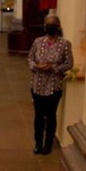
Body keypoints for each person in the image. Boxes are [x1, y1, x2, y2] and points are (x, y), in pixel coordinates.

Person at [28, 15, 73, 155]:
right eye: (48, 24)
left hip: (54, 86)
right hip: (37, 84)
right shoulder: (38, 41)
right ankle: (38, 143)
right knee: (39, 115)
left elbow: (69, 64)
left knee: (51, 115)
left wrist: (53, 68)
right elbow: (29, 58)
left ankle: (48, 144)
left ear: (58, 26)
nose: (50, 26)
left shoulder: (65, 44)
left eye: (53, 24)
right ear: (44, 26)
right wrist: (36, 66)